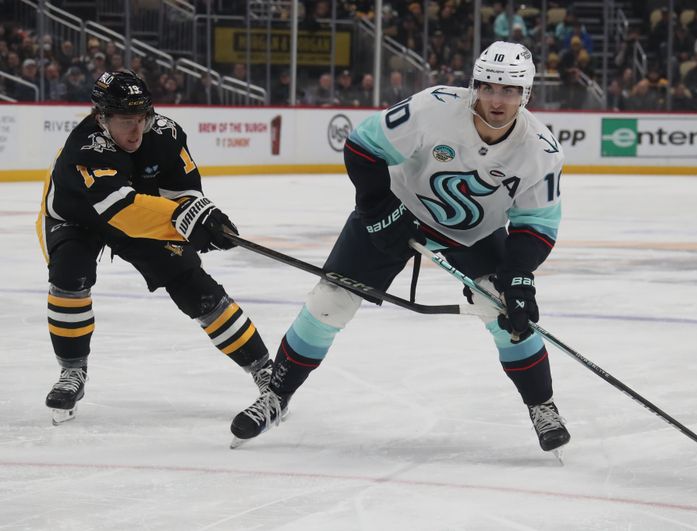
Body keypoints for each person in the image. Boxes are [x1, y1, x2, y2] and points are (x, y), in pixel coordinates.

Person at [230, 42, 571, 454]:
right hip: (398, 207)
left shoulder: (541, 150)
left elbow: (536, 225)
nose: (497, 100)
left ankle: (543, 406)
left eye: (509, 91)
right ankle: (276, 396)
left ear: (526, 95)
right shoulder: (435, 107)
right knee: (329, 302)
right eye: (489, 87)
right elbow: (362, 147)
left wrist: (519, 278)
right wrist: (378, 210)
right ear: (474, 85)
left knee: (508, 314)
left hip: (475, 233)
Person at [35, 71, 274, 426]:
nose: (137, 130)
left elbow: (184, 191)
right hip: (78, 216)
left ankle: (266, 372)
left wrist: (202, 216)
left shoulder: (165, 133)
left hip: (140, 210)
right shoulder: (84, 147)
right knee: (70, 275)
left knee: (194, 287)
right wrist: (185, 219)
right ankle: (72, 371)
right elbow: (123, 212)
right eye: (126, 121)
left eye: (143, 119)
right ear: (101, 118)